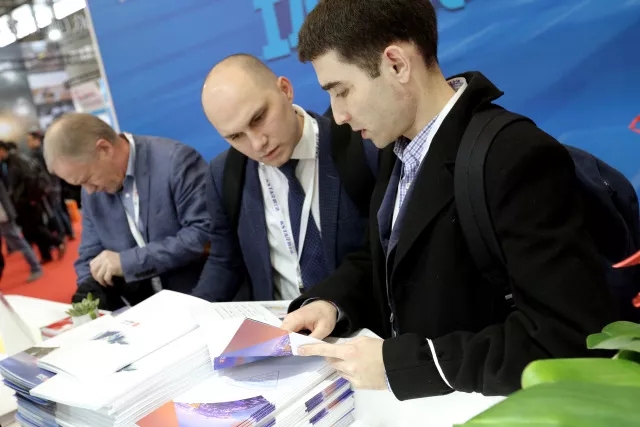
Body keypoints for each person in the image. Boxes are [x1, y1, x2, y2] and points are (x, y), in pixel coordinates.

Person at [281, 0, 616, 400]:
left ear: (397, 65)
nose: (338, 115)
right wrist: (332, 304)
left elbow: (567, 336)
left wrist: (406, 364)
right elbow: (389, 260)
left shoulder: (514, 155)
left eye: (342, 91)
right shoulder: (395, 146)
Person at [193, 54, 377, 302]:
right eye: (236, 137)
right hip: (281, 320)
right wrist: (192, 313)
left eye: (258, 118)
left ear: (285, 90)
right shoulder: (224, 174)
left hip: (357, 314)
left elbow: (381, 250)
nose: (257, 144)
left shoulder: (360, 146)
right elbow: (225, 262)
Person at [43, 113, 211, 308]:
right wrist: (89, 291)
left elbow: (203, 235)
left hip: (199, 297)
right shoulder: (93, 189)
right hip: (142, 308)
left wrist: (128, 262)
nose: (88, 191)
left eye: (87, 179)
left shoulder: (175, 162)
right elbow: (90, 254)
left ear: (104, 149)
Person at [0, 141, 65, 263]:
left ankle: (57, 242)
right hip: (25, 201)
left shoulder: (16, 161)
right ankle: (46, 254)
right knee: (35, 228)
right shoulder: (14, 161)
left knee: (34, 229)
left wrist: (32, 199)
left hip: (28, 202)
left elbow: (30, 179)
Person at [26, 131, 75, 240]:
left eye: (29, 140)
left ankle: (62, 234)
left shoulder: (37, 154)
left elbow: (43, 173)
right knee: (60, 209)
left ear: (37, 140)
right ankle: (69, 232)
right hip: (55, 184)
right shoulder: (47, 151)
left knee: (54, 211)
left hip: (49, 186)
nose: (28, 143)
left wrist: (45, 186)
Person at [0, 180, 43, 282]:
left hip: (3, 216)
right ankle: (36, 266)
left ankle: (36, 267)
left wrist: (9, 214)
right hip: (4, 215)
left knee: (19, 243)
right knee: (18, 242)